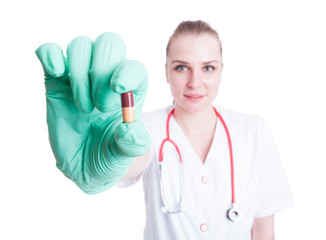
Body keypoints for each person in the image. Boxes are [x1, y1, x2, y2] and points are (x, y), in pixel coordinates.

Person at [36, 20, 294, 240]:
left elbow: (263, 228)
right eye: (182, 67)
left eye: (207, 68)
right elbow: (130, 158)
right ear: (167, 72)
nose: (195, 83)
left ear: (221, 72)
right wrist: (102, 163)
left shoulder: (254, 131)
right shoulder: (143, 127)